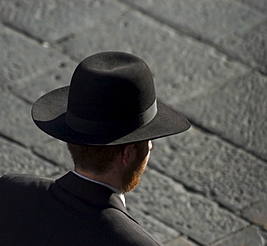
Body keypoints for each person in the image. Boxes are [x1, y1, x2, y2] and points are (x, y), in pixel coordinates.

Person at [0, 52, 191, 245]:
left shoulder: (9, 191)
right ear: (128, 152)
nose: (150, 146)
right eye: (149, 140)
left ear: (72, 138)